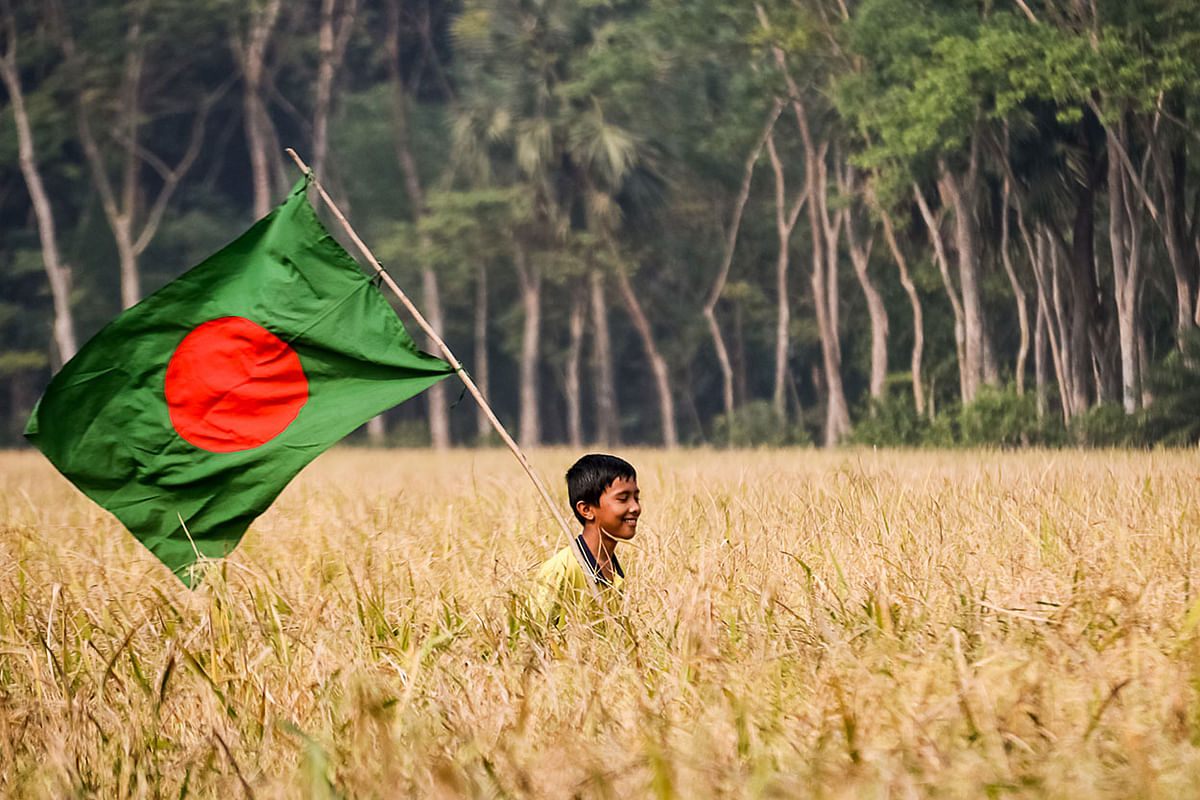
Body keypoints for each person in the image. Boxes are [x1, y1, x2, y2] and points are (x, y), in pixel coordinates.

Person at [531, 453, 640, 627]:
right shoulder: (561, 569)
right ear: (586, 509)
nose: (635, 507)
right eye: (622, 499)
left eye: (636, 498)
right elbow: (529, 637)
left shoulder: (616, 572)